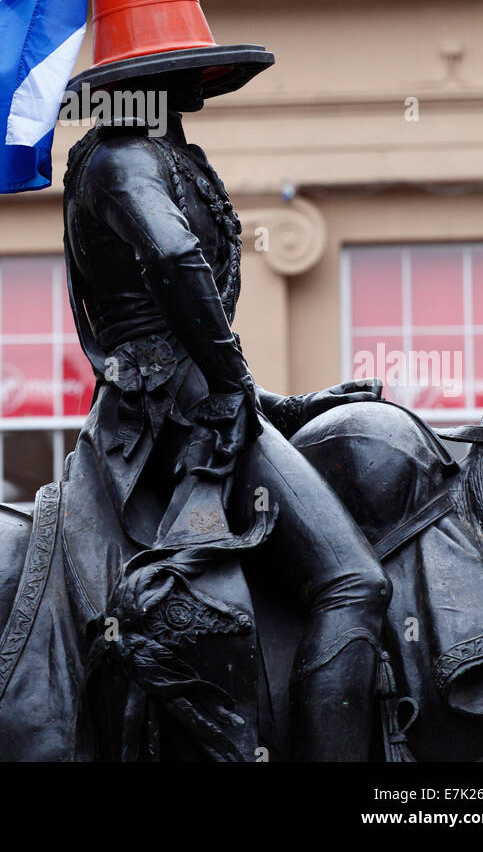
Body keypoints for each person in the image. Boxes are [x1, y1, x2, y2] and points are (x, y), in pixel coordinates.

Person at [63, 68, 391, 761]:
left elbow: (177, 333)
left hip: (189, 397)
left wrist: (282, 404)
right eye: (180, 70)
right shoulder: (122, 158)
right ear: (147, 82)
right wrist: (235, 382)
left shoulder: (155, 150)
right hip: (171, 421)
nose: (198, 83)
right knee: (354, 582)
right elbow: (176, 261)